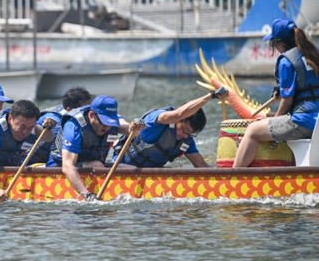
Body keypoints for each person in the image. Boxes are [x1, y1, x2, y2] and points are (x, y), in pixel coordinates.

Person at [234, 18, 319, 167]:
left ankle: (233, 178)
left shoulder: (286, 61)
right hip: (317, 120)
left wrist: (276, 120)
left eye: (273, 43)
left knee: (252, 130)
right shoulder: (313, 54)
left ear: (279, 43)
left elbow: (287, 101)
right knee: (269, 117)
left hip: (303, 121)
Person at [47, 95, 138, 200]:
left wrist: (135, 128)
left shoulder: (111, 117)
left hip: (93, 163)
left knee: (131, 169)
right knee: (97, 164)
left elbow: (130, 130)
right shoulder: (74, 126)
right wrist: (86, 194)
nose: (107, 127)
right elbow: (67, 166)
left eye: (109, 123)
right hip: (59, 166)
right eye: (103, 123)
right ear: (91, 115)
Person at [0, 100, 54, 203]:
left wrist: (48, 129)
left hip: (7, 170)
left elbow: (49, 137)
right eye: (22, 127)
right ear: (10, 118)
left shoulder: (32, 127)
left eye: (30, 128)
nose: (25, 132)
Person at [117, 89, 228, 168]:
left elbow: (201, 166)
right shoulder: (157, 119)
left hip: (150, 174)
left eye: (191, 134)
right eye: (185, 130)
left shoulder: (186, 140)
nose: (185, 136)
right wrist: (211, 96)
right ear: (178, 121)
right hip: (121, 168)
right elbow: (179, 114)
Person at [32, 86, 94, 164]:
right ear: (69, 110)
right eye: (85, 109)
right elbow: (56, 156)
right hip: (35, 164)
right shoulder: (57, 123)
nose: (89, 112)